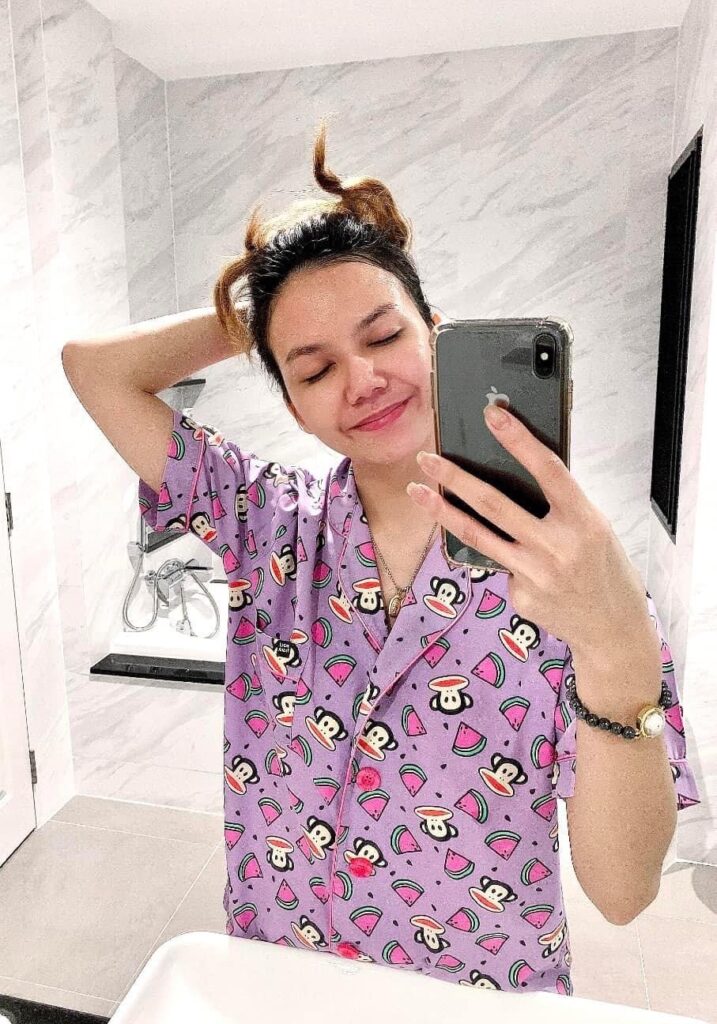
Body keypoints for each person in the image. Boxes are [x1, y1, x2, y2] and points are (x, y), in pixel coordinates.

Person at [62, 118, 700, 998]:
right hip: (280, 977)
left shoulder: (565, 572)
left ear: (436, 334)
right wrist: (274, 303)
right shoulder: (264, 525)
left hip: (478, 994)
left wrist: (618, 647)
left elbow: (623, 894)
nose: (360, 380)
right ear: (291, 405)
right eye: (313, 369)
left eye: (382, 336)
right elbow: (93, 368)